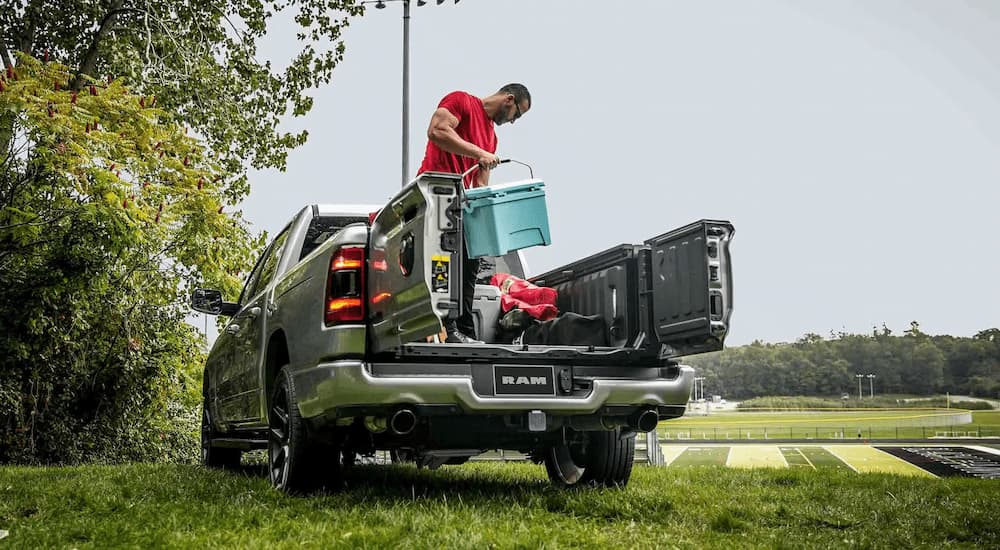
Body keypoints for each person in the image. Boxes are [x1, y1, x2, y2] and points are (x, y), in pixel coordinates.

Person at [417, 83, 532, 344]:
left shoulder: (491, 138)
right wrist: (479, 153)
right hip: (436, 197)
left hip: (462, 206)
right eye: (517, 114)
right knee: (444, 266)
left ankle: (465, 331)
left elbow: (481, 185)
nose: (513, 121)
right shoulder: (462, 102)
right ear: (508, 99)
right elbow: (437, 131)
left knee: (470, 264)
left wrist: (490, 226)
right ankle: (447, 328)